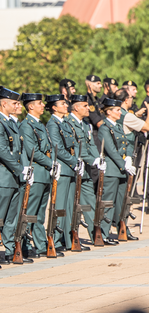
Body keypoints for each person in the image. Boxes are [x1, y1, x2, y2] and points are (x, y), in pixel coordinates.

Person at [0, 86, 32, 264]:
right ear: (4, 104)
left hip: (12, 176)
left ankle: (11, 251)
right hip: (2, 176)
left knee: (12, 218)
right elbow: (3, 152)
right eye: (14, 103)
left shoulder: (11, 123)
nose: (17, 105)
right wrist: (21, 168)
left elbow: (17, 150)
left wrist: (24, 168)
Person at [19, 93, 59, 258]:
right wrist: (51, 163)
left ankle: (41, 245)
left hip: (45, 174)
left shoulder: (39, 124)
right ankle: (26, 245)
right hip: (36, 172)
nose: (43, 105)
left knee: (40, 214)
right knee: (30, 212)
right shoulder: (26, 126)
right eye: (39, 103)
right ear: (30, 106)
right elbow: (32, 151)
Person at [46, 94, 84, 252]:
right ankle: (54, 240)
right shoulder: (52, 124)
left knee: (69, 207)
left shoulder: (65, 123)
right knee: (59, 206)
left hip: (71, 168)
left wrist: (77, 161)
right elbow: (58, 148)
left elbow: (74, 144)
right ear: (54, 107)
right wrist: (75, 161)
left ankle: (68, 240)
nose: (66, 105)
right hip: (63, 167)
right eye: (62, 103)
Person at [65, 94, 102, 248]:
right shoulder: (68, 123)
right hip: (73, 170)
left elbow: (91, 144)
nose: (89, 108)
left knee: (91, 203)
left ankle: (96, 235)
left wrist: (97, 158)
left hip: (86, 170)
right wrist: (91, 159)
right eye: (85, 106)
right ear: (76, 107)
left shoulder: (86, 124)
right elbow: (75, 148)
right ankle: (69, 240)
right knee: (71, 206)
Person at [98, 98, 134, 242]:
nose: (120, 112)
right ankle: (104, 233)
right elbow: (111, 150)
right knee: (108, 203)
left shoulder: (118, 127)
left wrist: (129, 157)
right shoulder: (104, 128)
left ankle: (122, 229)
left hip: (121, 169)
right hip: (112, 170)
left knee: (122, 202)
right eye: (117, 110)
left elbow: (127, 143)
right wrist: (123, 164)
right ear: (109, 112)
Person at [85, 75, 104, 146]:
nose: (101, 85)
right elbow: (98, 123)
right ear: (90, 85)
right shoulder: (87, 101)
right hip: (94, 137)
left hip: (101, 135)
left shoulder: (98, 101)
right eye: (98, 83)